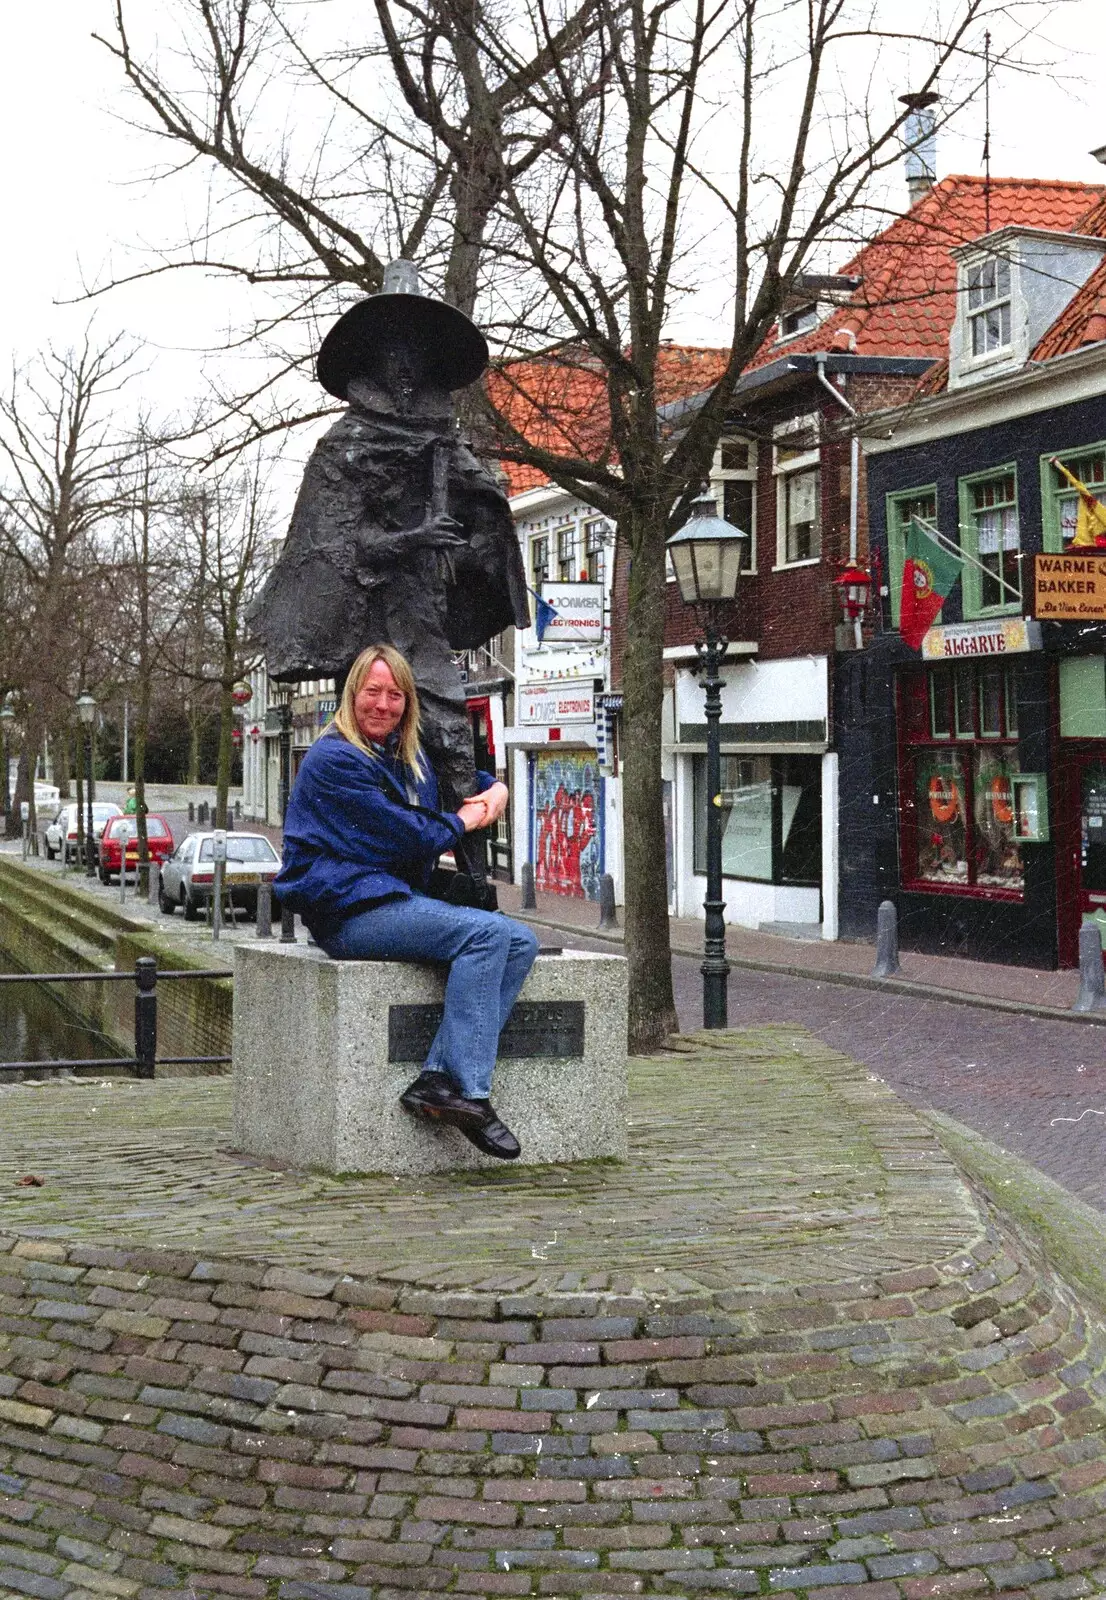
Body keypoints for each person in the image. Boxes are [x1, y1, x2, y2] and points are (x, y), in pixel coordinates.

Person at [273, 643, 539, 1161]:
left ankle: (438, 1079)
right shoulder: (335, 760)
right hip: (349, 912)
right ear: (353, 694)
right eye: (373, 692)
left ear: (407, 702)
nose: (382, 704)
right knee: (487, 934)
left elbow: (463, 784)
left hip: (392, 900)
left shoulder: (405, 754)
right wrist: (465, 819)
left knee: (521, 941)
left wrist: (496, 790)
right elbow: (405, 837)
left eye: (395, 694)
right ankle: (469, 1092)